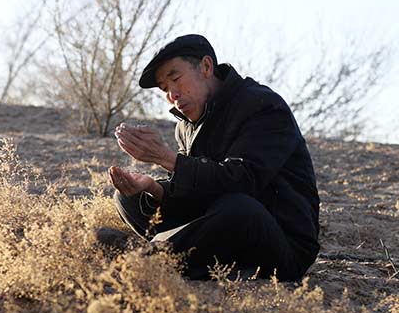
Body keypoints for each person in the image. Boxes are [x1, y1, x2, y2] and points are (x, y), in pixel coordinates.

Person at [105, 34, 320, 281]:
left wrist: (166, 158)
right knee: (130, 198)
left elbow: (242, 181)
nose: (172, 94)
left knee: (239, 208)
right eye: (165, 89)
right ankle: (180, 256)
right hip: (222, 227)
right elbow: (197, 194)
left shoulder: (263, 106)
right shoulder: (185, 124)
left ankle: (154, 260)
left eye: (176, 78)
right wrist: (153, 188)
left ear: (206, 67)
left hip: (280, 245)